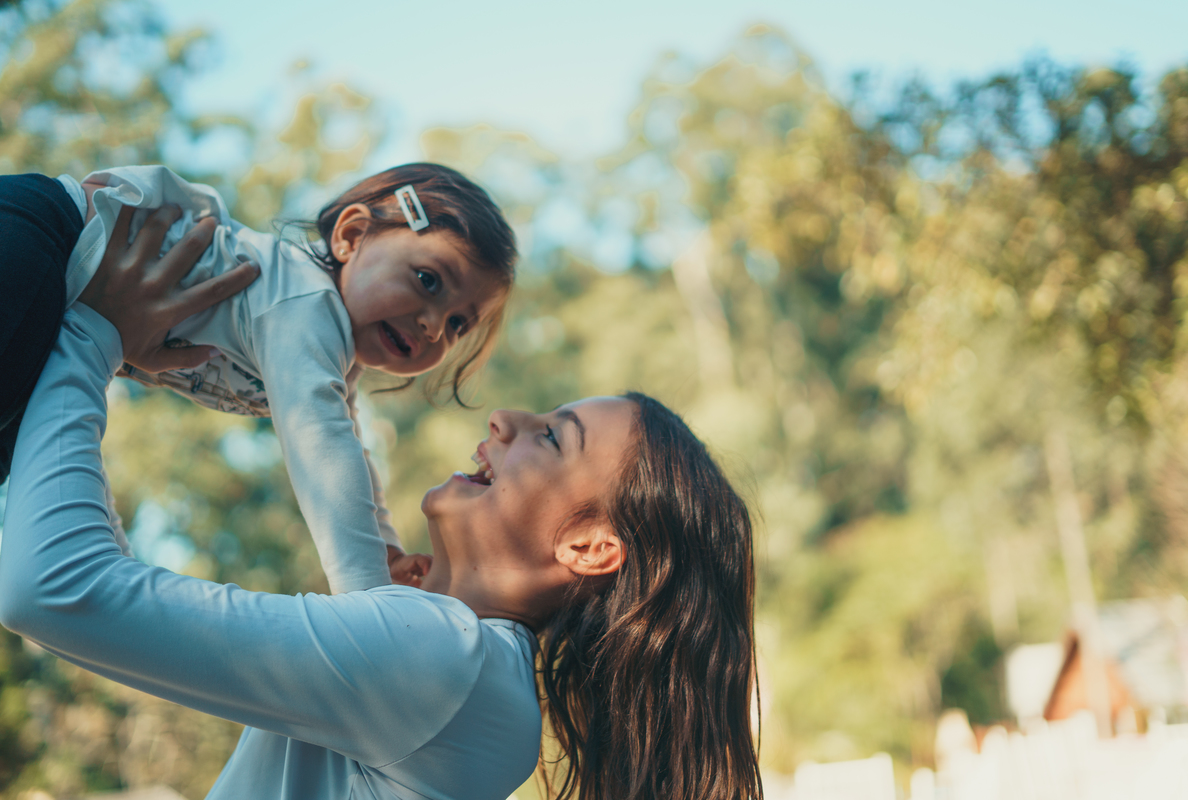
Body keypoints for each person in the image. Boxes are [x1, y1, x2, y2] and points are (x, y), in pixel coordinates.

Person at [0, 220, 764, 800]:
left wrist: (93, 332)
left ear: (593, 547)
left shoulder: (450, 663)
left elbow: (53, 588)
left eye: (552, 437)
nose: (503, 419)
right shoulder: (462, 671)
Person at [0, 163, 516, 593]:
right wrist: (371, 598)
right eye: (428, 280)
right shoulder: (307, 302)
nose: (432, 325)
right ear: (352, 236)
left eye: (457, 324)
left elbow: (351, 460)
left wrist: (388, 555)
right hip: (45, 234)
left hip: (57, 316)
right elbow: (322, 452)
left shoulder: (331, 356)